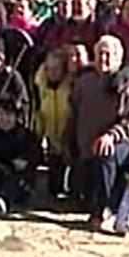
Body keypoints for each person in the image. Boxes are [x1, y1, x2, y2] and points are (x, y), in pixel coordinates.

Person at [65, 35, 129, 230]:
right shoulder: (84, 83)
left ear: (119, 58)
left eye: (109, 55)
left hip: (119, 145)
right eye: (100, 54)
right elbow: (73, 114)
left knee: (105, 155)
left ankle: (102, 210)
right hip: (87, 145)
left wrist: (111, 136)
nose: (104, 59)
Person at [31, 47, 74, 200]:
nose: (52, 73)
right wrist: (37, 134)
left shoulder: (71, 86)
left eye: (56, 69)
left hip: (69, 136)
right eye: (49, 69)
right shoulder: (41, 85)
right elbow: (39, 112)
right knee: (53, 180)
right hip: (51, 136)